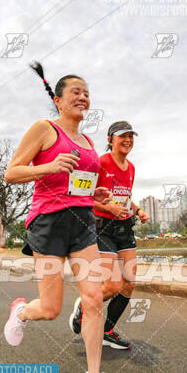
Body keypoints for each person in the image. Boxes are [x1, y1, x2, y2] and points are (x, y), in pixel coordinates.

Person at [4, 64, 124, 373]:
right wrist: (48, 166)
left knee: (93, 297)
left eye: (87, 92)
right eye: (76, 92)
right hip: (49, 223)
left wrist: (96, 197)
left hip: (82, 222)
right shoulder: (44, 129)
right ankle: (23, 312)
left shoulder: (88, 143)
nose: (83, 97)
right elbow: (12, 172)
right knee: (52, 308)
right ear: (58, 100)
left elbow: (79, 186)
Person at [69, 121, 149, 349]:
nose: (128, 140)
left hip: (124, 227)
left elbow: (124, 197)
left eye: (131, 136)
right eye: (122, 136)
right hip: (102, 227)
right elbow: (80, 195)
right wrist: (108, 209)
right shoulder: (99, 163)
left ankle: (107, 331)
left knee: (129, 284)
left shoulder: (131, 168)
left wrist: (138, 210)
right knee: (113, 285)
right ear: (110, 139)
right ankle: (83, 307)